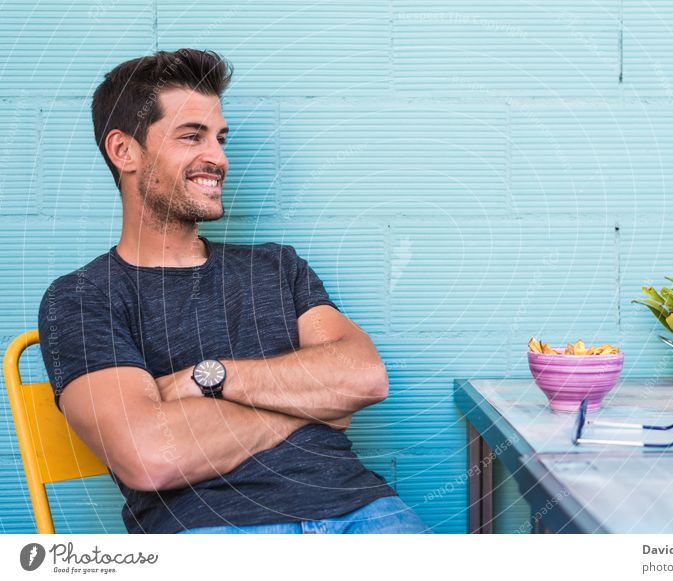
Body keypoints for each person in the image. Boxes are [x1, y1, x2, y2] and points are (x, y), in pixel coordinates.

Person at [37, 48, 430, 534]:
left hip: (362, 510)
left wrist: (209, 378)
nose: (218, 158)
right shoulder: (80, 298)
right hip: (213, 529)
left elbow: (365, 379)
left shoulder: (278, 266)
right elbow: (150, 457)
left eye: (220, 139)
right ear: (125, 151)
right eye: (191, 136)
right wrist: (308, 408)